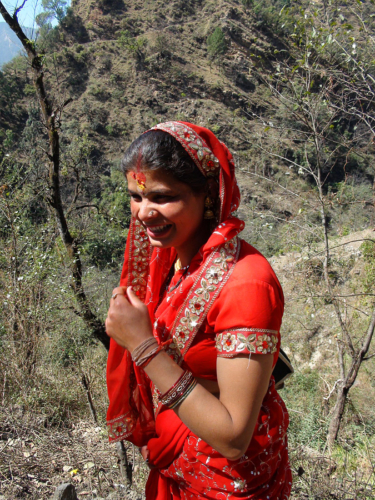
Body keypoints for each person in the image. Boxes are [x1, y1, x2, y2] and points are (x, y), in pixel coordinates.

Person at [105, 121, 292, 499]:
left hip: (225, 478)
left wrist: (142, 345)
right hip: (177, 465)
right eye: (136, 196)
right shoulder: (173, 263)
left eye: (162, 197)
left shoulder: (247, 284)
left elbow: (233, 437)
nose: (143, 213)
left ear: (207, 194)